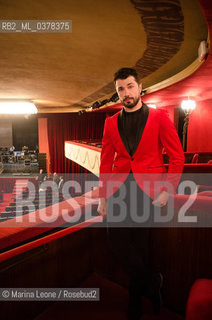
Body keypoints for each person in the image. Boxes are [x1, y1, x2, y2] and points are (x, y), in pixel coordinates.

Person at [97, 67, 185, 319]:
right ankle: (152, 281)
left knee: (140, 247)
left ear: (140, 87)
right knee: (116, 241)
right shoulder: (110, 123)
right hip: (118, 190)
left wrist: (168, 189)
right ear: (117, 93)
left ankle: (134, 303)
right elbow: (105, 162)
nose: (126, 93)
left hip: (149, 191)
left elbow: (177, 156)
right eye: (120, 89)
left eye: (130, 86)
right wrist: (103, 197)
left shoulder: (159, 117)